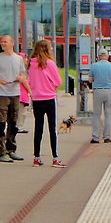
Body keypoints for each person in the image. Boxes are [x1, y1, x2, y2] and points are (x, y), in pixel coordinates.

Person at [26, 39, 65, 167]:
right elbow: (58, 82)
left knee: (38, 129)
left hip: (36, 99)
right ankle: (55, 158)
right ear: (47, 49)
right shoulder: (50, 63)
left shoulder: (31, 64)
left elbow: (30, 81)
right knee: (52, 129)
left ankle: (36, 157)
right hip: (49, 98)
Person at [0, 34, 29, 162]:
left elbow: (23, 75)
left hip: (15, 93)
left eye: (5, 41)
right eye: (2, 42)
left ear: (12, 43)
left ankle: (11, 149)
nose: (3, 43)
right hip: (2, 94)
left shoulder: (18, 59)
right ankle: (1, 152)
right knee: (1, 123)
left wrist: (22, 79)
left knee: (13, 122)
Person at [89, 49, 111, 144]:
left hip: (97, 91)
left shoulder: (94, 66)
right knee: (108, 115)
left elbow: (90, 80)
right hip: (109, 91)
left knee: (97, 115)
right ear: (107, 56)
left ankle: (96, 137)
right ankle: (107, 137)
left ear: (98, 56)